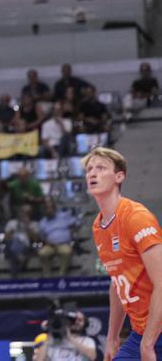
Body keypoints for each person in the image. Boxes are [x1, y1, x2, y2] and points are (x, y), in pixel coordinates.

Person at [85, 146, 162, 360]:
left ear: (119, 176)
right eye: (89, 169)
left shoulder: (136, 217)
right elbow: (117, 281)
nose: (92, 173)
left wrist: (148, 345)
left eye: (101, 168)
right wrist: (112, 336)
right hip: (142, 332)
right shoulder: (98, 226)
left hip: (152, 333)